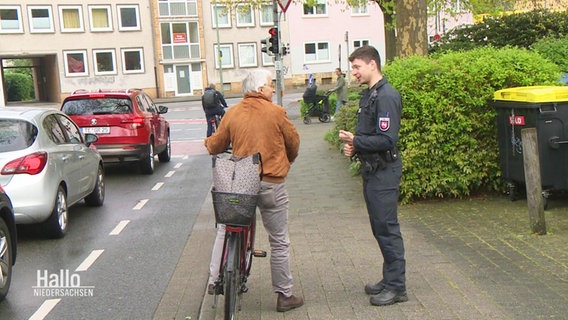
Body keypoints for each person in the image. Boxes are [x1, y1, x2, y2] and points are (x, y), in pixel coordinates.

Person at [204, 69, 304, 313]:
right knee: (279, 240)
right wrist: (284, 163)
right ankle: (284, 295)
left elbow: (216, 145)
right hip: (272, 183)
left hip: (242, 182)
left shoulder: (233, 113)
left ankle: (214, 279)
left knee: (226, 227)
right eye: (270, 85)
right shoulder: (276, 112)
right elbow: (294, 143)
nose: (272, 89)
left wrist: (208, 143)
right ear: (259, 89)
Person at [338, 45, 407, 307]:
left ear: (372, 65)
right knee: (379, 228)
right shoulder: (371, 94)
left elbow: (388, 139)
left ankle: (397, 287)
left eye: (356, 67)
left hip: (384, 173)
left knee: (387, 229)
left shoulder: (386, 96)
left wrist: (357, 141)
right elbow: (371, 135)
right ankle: (389, 279)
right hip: (373, 171)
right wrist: (355, 145)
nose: (353, 72)